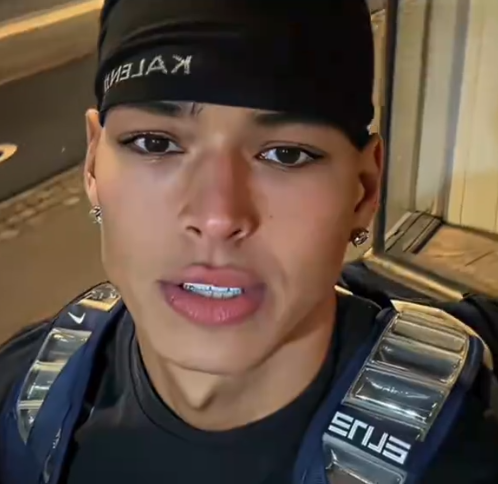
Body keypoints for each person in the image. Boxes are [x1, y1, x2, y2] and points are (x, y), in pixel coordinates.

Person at [1, 0, 498, 483]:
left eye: (286, 155)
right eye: (156, 143)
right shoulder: (18, 396)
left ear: (364, 189)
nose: (217, 217)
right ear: (93, 165)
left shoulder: (469, 448)